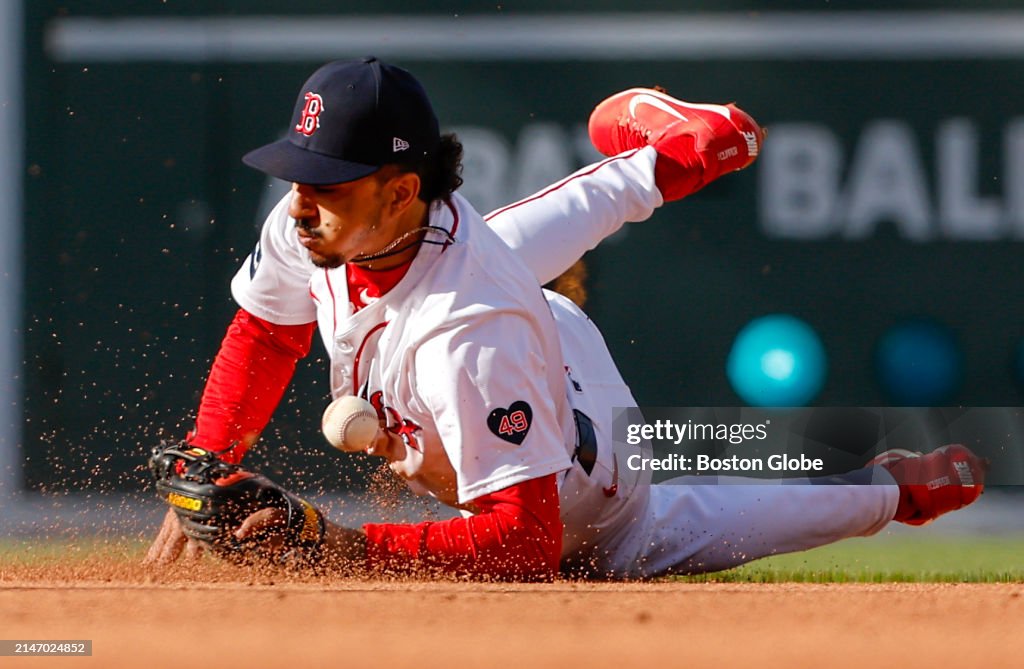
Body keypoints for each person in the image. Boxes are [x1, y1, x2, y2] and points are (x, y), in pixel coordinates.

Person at [146, 57, 987, 579]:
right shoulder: (325, 220)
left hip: (598, 493)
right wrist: (212, 459)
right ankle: (682, 153)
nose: (300, 199)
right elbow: (267, 328)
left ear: (401, 188)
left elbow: (523, 544)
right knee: (485, 265)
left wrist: (338, 544)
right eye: (299, 172)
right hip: (493, 327)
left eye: (326, 181)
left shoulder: (472, 335)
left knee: (721, 518)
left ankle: (894, 487)